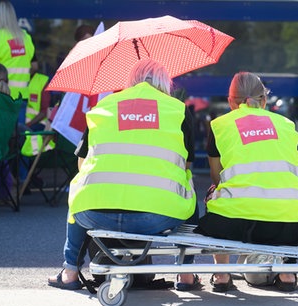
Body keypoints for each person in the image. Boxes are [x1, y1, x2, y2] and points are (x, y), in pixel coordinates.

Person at [48, 59, 198, 291]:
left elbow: (82, 164)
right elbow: (185, 166)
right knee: (189, 186)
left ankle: (70, 272)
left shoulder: (104, 106)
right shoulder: (178, 110)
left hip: (95, 215)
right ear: (165, 83)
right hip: (155, 217)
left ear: (130, 81)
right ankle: (185, 276)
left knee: (80, 189)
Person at [194, 71, 298, 292]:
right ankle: (287, 274)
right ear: (264, 99)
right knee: (284, 196)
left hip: (238, 223)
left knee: (214, 192)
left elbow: (217, 177)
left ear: (231, 101)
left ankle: (221, 275)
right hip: (295, 225)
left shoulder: (220, 125)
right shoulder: (287, 125)